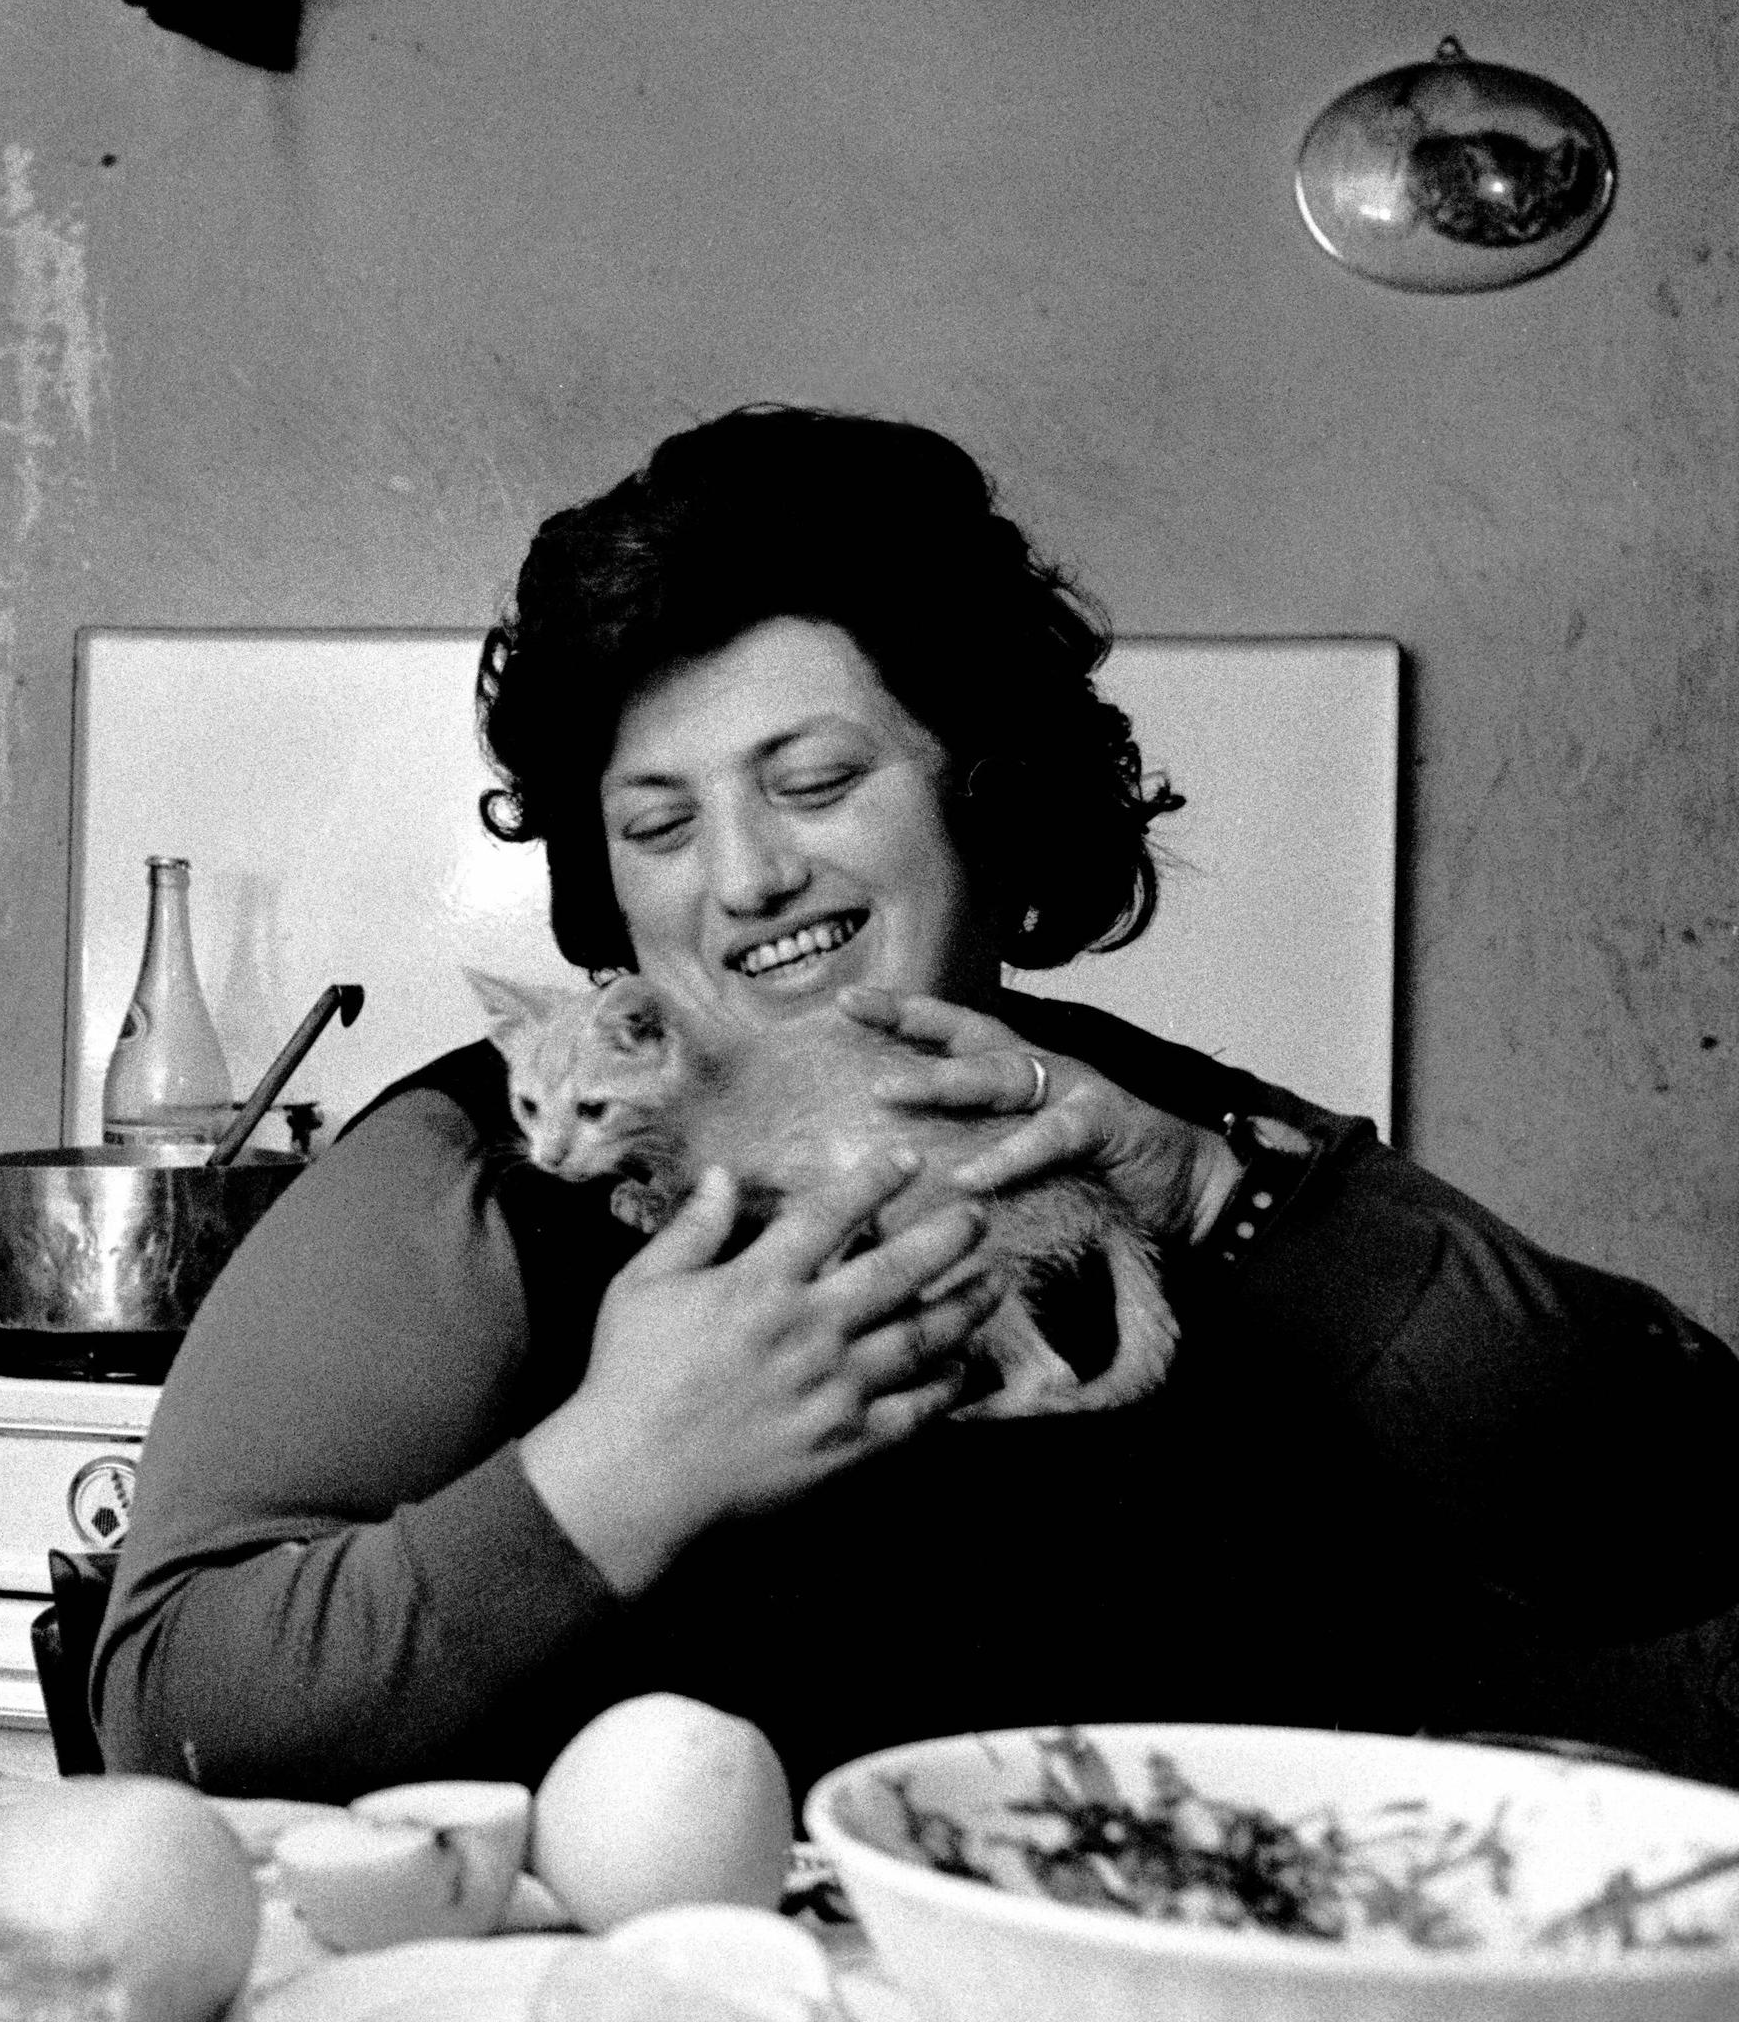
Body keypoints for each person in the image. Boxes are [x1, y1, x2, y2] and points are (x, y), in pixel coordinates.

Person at [91, 403, 1739, 1801]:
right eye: (658, 826)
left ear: (985, 784)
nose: (745, 878)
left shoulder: (1140, 1127)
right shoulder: (470, 1176)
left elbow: (1684, 1512)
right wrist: (610, 1474)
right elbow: (166, 1698)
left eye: (815, 784)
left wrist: (1235, 1209)